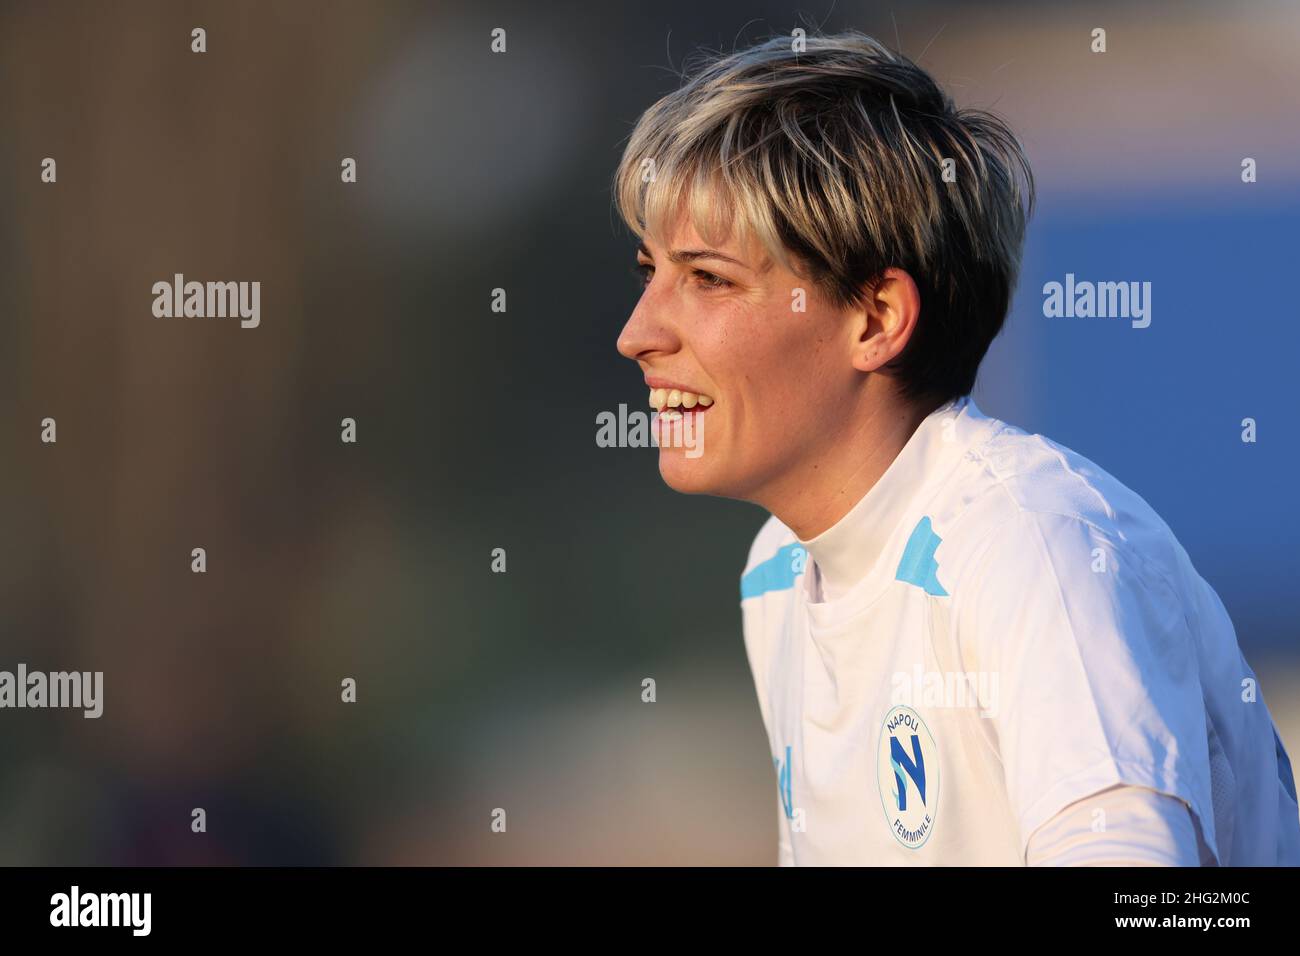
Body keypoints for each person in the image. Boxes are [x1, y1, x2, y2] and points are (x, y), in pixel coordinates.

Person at [612, 30, 1300, 865]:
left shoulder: (1031, 543)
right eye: (648, 271)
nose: (638, 333)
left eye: (707, 278)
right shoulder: (778, 573)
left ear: (876, 319)